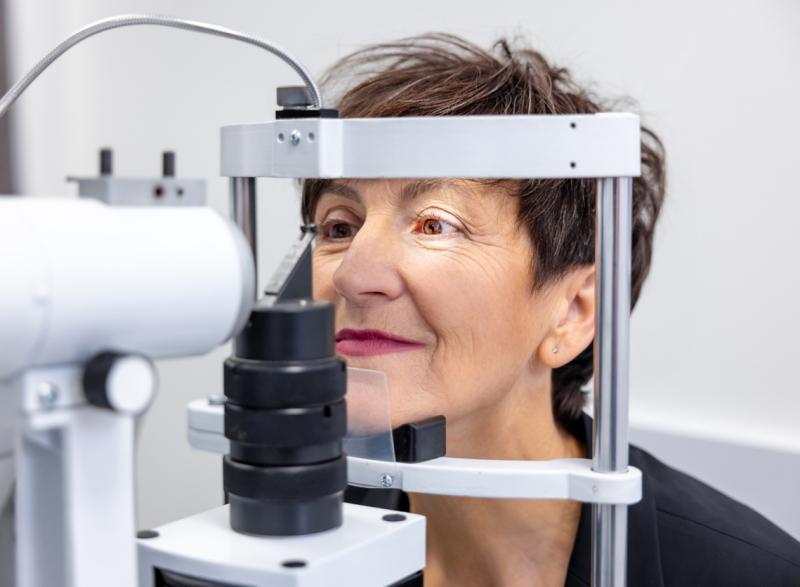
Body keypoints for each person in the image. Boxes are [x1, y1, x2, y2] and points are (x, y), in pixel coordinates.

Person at [302, 34, 800, 586]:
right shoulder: (301, 528)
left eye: (434, 224)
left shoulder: (753, 574)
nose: (352, 276)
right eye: (339, 227)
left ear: (574, 311)